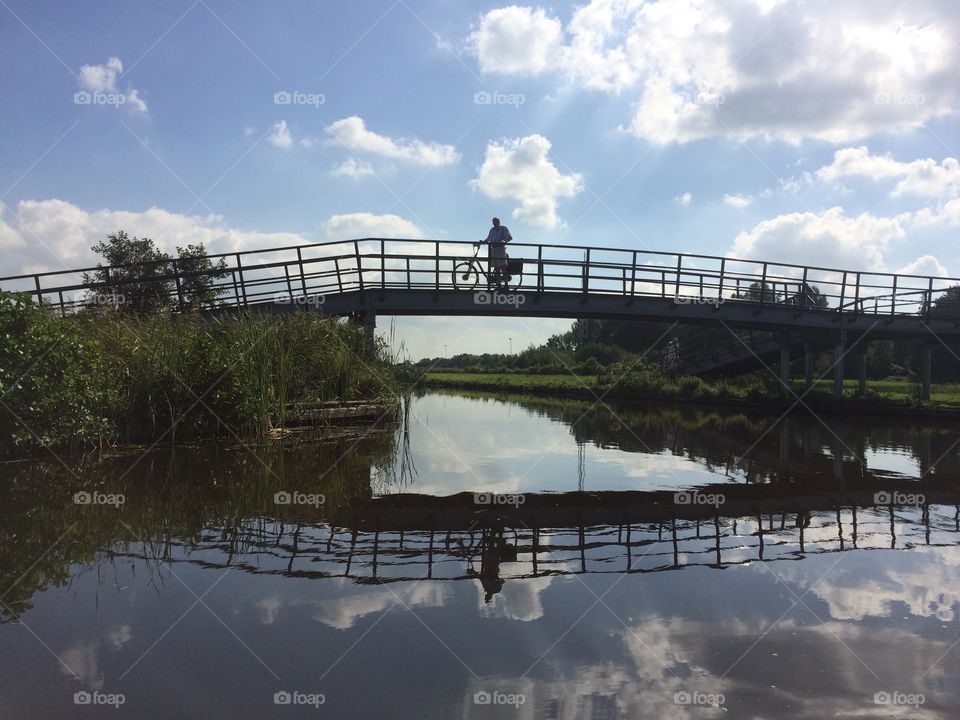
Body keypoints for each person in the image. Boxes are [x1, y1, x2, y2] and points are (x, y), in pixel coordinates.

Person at [482, 217, 512, 288]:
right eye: (494, 222)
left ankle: (506, 284)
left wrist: (503, 241)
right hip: (494, 250)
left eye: (496, 222)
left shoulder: (504, 228)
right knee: (497, 268)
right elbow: (488, 238)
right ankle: (498, 284)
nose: (495, 223)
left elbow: (509, 238)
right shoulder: (492, 230)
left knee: (503, 267)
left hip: (501, 250)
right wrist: (483, 242)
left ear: (499, 222)